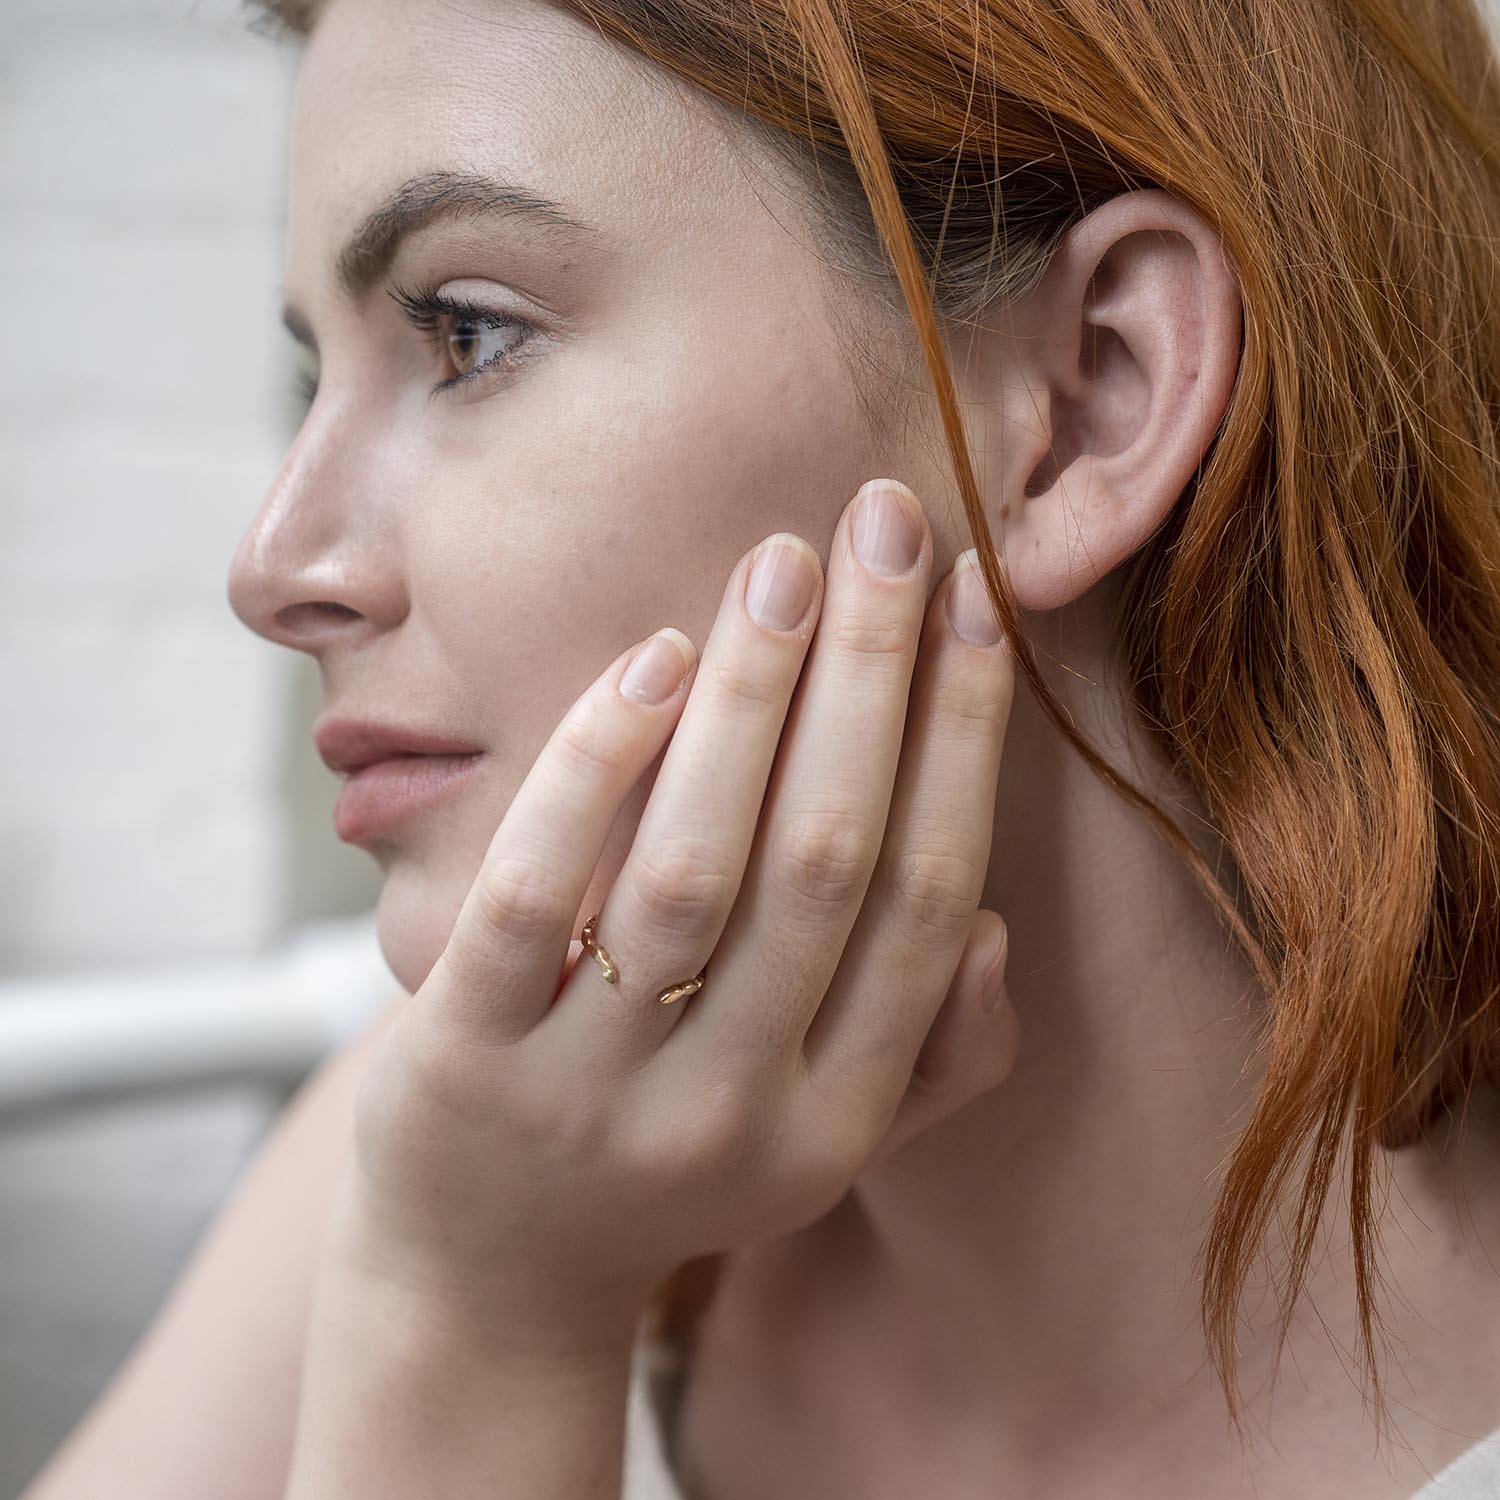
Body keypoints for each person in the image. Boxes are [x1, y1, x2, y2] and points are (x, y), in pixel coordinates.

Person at [21, 0, 1500, 1495]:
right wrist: (479, 1307)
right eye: (308, 382)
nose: (273, 568)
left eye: (466, 334)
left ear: (1089, 397)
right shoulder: (478, 1145)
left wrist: (484, 1327)